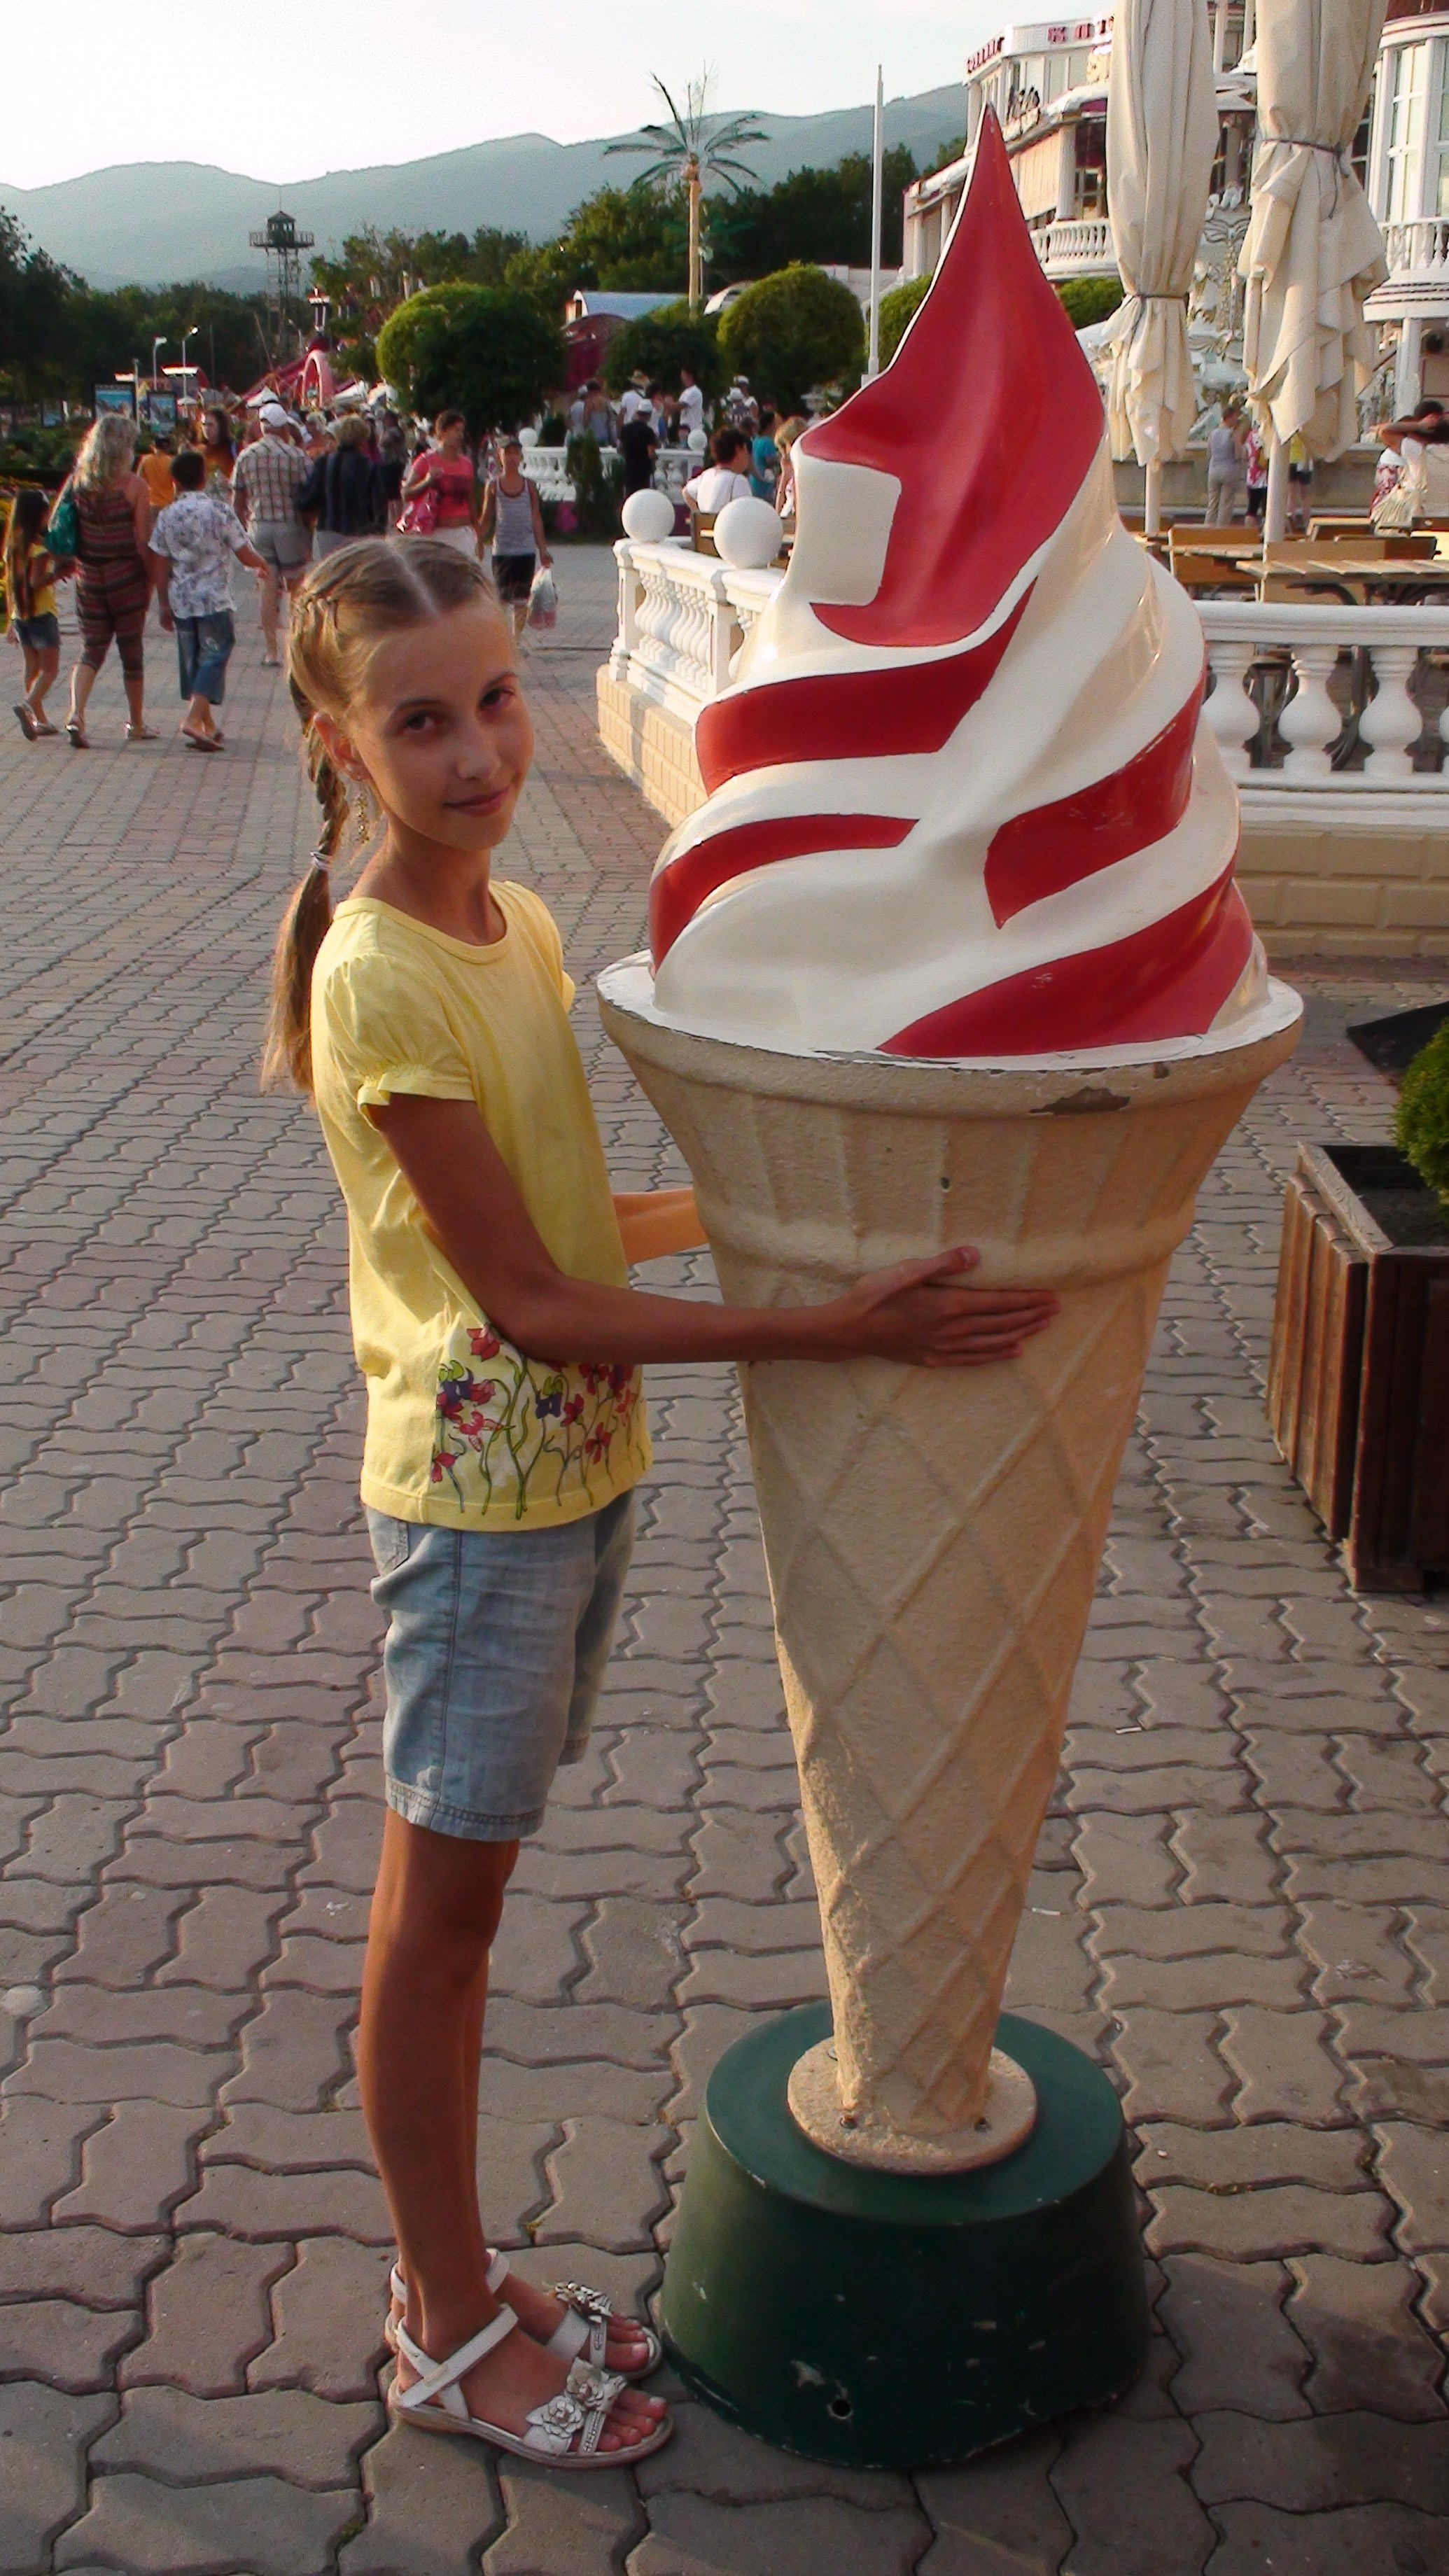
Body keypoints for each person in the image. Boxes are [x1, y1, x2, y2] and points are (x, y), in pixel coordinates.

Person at [260, 535, 1055, 2465]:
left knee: (463, 1909)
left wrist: (798, 1190)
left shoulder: (512, 929)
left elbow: (574, 1219)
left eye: (497, 698)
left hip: (568, 1483)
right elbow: (527, 1305)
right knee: (433, 1932)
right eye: (421, 722)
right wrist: (826, 1328)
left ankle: (449, 2279)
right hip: (474, 1510)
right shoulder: (379, 973)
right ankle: (442, 2329)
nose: (474, 752)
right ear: (339, 742)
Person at [148, 444, 265, 750]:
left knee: (194, 659)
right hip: (213, 598)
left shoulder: (166, 516)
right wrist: (263, 565)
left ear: (175, 482)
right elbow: (243, 552)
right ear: (203, 479)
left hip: (182, 599)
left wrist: (162, 601)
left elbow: (158, 561)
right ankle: (190, 720)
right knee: (216, 654)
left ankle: (207, 725)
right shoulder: (219, 511)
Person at [62, 412, 155, 748]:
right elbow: (143, 541)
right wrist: (152, 581)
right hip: (126, 576)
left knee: (91, 648)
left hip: (88, 575)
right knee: (131, 650)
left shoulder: (79, 482)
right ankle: (138, 722)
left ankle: (76, 713)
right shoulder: (134, 487)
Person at [233, 400, 313, 664]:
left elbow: (238, 498)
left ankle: (271, 651)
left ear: (262, 426)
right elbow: (309, 495)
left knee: (267, 588)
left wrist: (241, 528)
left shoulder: (246, 456)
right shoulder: (297, 457)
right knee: (296, 589)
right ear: (283, 428)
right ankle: (297, 645)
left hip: (259, 526)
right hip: (290, 526)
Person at [479, 437, 552, 636]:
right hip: (502, 551)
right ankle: (502, 639)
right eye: (507, 452)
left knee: (521, 600)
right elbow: (486, 518)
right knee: (502, 599)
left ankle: (515, 642)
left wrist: (543, 549)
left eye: (515, 453)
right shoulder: (494, 486)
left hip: (526, 550)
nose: (512, 457)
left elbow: (536, 518)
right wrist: (477, 542)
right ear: (499, 456)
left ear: (521, 457)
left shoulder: (529, 486)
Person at [6, 487, 62, 738]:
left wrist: (10, 620)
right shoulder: (39, 549)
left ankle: (40, 720)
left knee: (32, 668)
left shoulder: (12, 546)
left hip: (21, 614)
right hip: (42, 614)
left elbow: (13, 584)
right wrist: (57, 573)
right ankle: (29, 705)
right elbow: (35, 581)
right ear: (39, 516)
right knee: (51, 670)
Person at [300, 413, 386, 559]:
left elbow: (308, 499)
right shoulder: (370, 467)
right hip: (361, 534)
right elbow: (380, 506)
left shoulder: (324, 463)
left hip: (329, 531)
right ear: (363, 439)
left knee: (335, 577)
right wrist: (379, 534)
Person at [400, 412, 480, 556]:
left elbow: (471, 500)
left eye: (462, 430)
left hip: (464, 533)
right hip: (437, 534)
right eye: (456, 430)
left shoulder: (466, 464)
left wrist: (478, 535)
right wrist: (427, 481)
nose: (460, 435)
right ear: (442, 432)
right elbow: (406, 494)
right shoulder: (426, 461)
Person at [682, 427, 755, 514]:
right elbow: (747, 515)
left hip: (706, 526)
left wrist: (699, 515)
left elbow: (686, 492)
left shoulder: (705, 476)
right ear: (739, 450)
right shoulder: (738, 481)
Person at [1204, 404, 1243, 524]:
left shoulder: (1213, 434)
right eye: (1236, 418)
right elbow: (1238, 455)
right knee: (1225, 505)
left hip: (1214, 471)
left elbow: (1209, 454)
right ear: (1230, 418)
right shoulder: (1232, 434)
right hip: (1229, 472)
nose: (1237, 421)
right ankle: (1220, 532)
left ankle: (1206, 530)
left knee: (1212, 504)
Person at [617, 401, 658, 500]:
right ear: (649, 415)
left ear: (637, 413)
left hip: (629, 468)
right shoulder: (648, 431)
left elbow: (620, 449)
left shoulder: (626, 429)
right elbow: (651, 453)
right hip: (643, 471)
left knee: (628, 496)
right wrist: (655, 458)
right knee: (642, 497)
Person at [773, 414, 809, 522]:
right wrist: (785, 476)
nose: (783, 452)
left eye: (785, 446)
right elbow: (777, 511)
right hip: (785, 520)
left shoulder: (804, 472)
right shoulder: (790, 473)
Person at [138, 432, 176, 515]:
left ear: (153, 446)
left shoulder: (145, 460)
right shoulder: (172, 462)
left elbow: (139, 482)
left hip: (151, 505)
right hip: (168, 506)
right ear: (168, 447)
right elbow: (177, 484)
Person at [202, 407, 237, 496]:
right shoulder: (200, 450)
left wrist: (229, 482)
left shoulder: (233, 448)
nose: (206, 429)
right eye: (204, 425)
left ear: (221, 426)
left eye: (211, 425)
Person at [750, 405, 780, 503]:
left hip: (754, 478)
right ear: (770, 425)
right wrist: (779, 457)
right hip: (764, 479)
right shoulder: (768, 441)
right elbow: (769, 460)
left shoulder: (756, 439)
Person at [1242, 421, 1268, 524]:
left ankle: (1247, 534)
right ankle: (1267, 534)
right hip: (1264, 476)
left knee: (1251, 509)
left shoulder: (1250, 436)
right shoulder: (1264, 435)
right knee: (1267, 510)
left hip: (1252, 476)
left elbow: (1245, 456)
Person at [676, 363, 705, 444]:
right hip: (684, 430)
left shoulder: (694, 391)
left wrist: (665, 404)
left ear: (690, 375)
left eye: (683, 375)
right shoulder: (686, 392)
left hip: (693, 431)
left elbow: (680, 406)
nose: (682, 378)